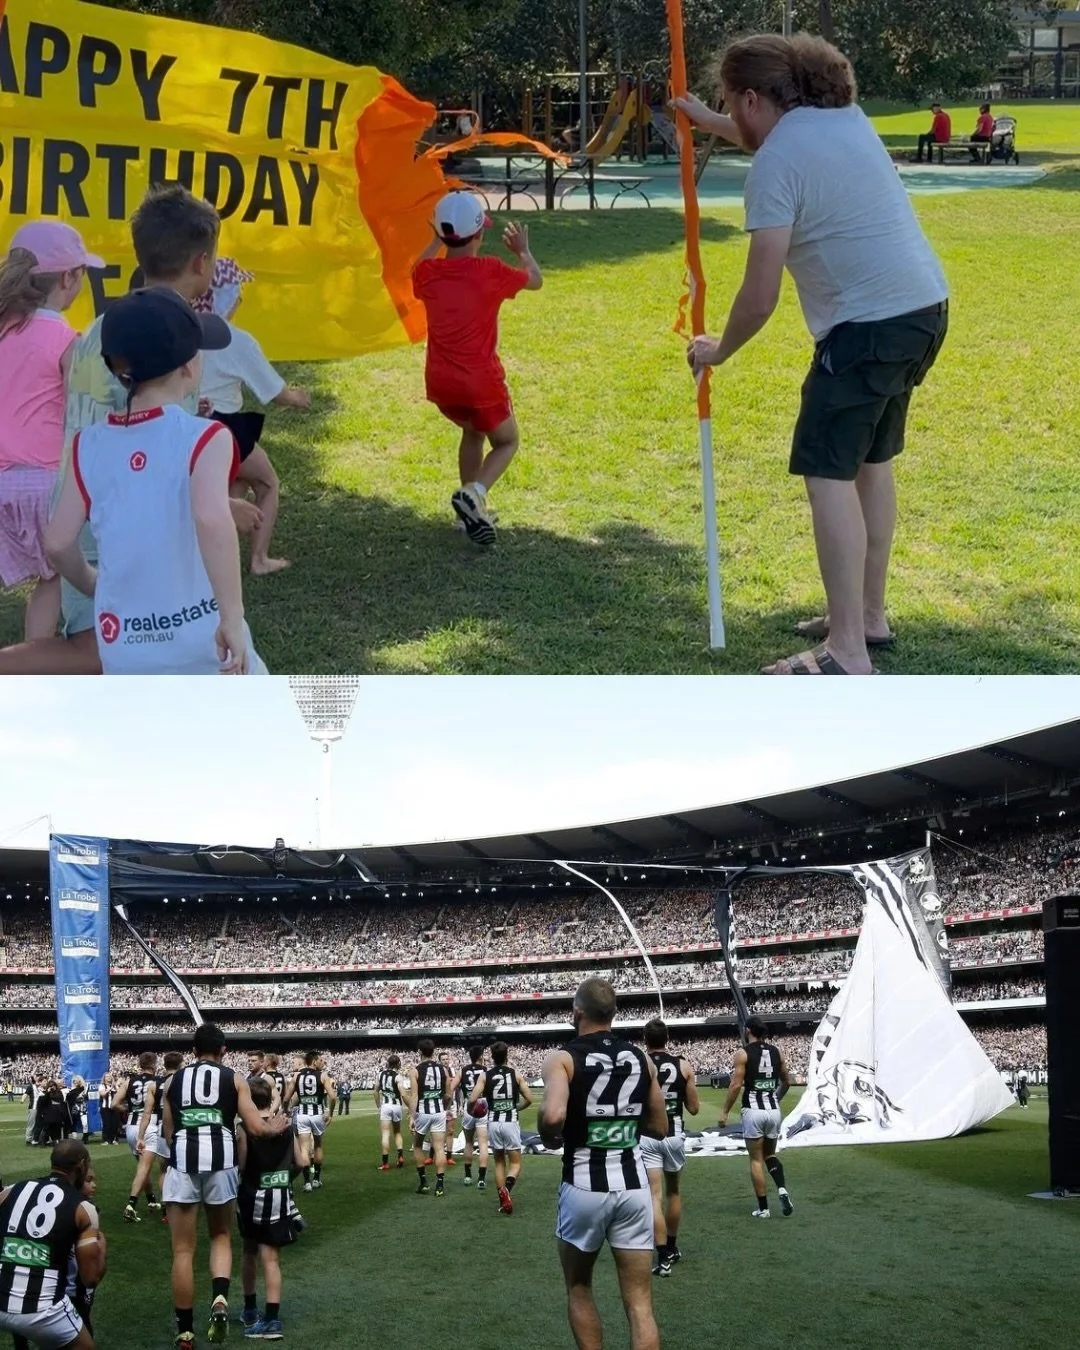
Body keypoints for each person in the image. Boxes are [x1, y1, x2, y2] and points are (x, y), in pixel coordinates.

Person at [674, 35, 948, 676]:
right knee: (870, 465)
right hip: (923, 313)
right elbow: (760, 133)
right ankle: (868, 617)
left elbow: (760, 294)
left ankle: (847, 652)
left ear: (752, 97)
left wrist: (718, 351)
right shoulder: (840, 120)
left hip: (866, 332)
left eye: (727, 104)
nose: (728, 116)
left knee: (828, 475)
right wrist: (702, 116)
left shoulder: (776, 167)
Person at [0, 183, 262, 676]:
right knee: (96, 649)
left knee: (120, 649)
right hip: (106, 521)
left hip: (95, 504)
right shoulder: (169, 339)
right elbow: (137, 449)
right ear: (204, 262)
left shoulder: (110, 329)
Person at [44, 286, 269, 675]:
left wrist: (93, 584)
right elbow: (212, 519)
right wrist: (231, 617)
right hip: (202, 640)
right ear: (189, 366)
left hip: (125, 647)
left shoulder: (87, 446)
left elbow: (58, 542)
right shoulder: (205, 438)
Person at [539, 978, 668, 1350]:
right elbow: (660, 1127)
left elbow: (551, 1117)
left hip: (584, 1184)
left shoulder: (562, 1058)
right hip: (633, 1185)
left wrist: (550, 1136)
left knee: (579, 1288)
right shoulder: (641, 1058)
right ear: (612, 1014)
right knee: (641, 1305)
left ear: (577, 1013)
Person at [411, 191, 543, 547]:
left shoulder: (427, 274)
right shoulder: (491, 271)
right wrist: (522, 252)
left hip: (441, 382)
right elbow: (535, 279)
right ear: (480, 234)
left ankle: (467, 515)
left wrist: (434, 240)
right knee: (507, 440)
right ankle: (476, 493)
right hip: (480, 381)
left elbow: (415, 269)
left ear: (441, 233)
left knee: (473, 432)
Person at [162, 1022, 288, 1349]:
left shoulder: (173, 1080)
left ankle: (185, 1331)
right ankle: (219, 1298)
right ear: (224, 1050)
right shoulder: (234, 1078)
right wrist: (273, 1127)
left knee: (183, 1251)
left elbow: (167, 1133)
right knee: (220, 1236)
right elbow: (255, 1126)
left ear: (193, 1050)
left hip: (184, 1163)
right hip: (221, 1162)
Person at [0, 223, 97, 641]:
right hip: (45, 482)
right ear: (67, 278)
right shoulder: (67, 338)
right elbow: (88, 406)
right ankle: (32, 671)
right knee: (50, 579)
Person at [193, 257, 310, 577]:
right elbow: (275, 392)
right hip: (224, 430)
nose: (240, 297)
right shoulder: (235, 339)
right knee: (267, 482)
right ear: (225, 295)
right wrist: (298, 398)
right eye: (237, 290)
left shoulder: (179, 331)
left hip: (187, 424)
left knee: (236, 481)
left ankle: (213, 554)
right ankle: (259, 559)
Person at [0, 1140, 105, 1350]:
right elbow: (90, 1278)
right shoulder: (84, 1208)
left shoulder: (14, 1189)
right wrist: (102, 1248)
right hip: (43, 1310)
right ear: (82, 1165)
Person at [236, 1077, 311, 1341]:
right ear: (270, 1098)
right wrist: (283, 1180)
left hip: (252, 1196)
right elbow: (301, 1161)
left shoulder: (245, 1127)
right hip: (279, 1197)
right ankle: (272, 1319)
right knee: (272, 1259)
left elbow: (242, 1166)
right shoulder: (286, 1126)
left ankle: (249, 1311)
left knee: (249, 1251)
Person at [718, 1017, 795, 1218]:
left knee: (756, 1160)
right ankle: (782, 1189)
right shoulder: (777, 1051)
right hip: (774, 1110)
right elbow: (787, 1081)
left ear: (748, 1030)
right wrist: (776, 1097)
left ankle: (764, 1208)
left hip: (753, 1110)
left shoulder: (742, 1053)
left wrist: (725, 1111)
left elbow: (735, 1085)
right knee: (770, 1154)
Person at [641, 1020, 699, 1276]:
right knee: (674, 1192)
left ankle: (661, 1253)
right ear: (667, 1037)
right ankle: (673, 1247)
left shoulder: (639, 1063)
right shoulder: (683, 1065)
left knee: (654, 1195)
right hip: (674, 1135)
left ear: (645, 1039)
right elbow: (694, 1108)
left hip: (648, 1135)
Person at [469, 1040, 533, 1215]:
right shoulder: (516, 1074)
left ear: (492, 1056)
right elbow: (529, 1098)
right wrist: (515, 1108)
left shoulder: (485, 1075)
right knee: (516, 1163)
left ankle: (502, 1198)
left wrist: (471, 1111)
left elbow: (472, 1099)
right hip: (510, 1121)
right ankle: (507, 1190)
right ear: (507, 1055)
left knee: (498, 1162)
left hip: (493, 1122)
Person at [135, 1050, 184, 1224]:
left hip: (163, 1128)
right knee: (183, 1170)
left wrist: (141, 1136)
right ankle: (181, 1205)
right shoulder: (184, 1080)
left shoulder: (155, 1084)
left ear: (164, 1065)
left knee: (164, 1171)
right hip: (182, 1127)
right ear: (180, 1065)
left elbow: (147, 1113)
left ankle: (166, 1209)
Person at [112, 1052, 162, 1221]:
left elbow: (114, 1104)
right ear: (154, 1064)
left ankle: (151, 1200)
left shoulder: (129, 1082)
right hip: (150, 1124)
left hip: (131, 1127)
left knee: (143, 1166)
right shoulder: (158, 1082)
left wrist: (128, 1110)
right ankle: (131, 1205)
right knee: (144, 1168)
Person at [405, 1039, 452, 1197]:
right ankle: (440, 1185)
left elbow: (414, 1096)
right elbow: (448, 1094)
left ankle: (424, 1182)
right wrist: (444, 1108)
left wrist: (412, 1116)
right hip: (439, 1111)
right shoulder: (443, 1070)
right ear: (433, 1051)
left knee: (417, 1145)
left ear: (420, 1052)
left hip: (423, 1112)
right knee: (439, 1148)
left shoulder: (415, 1071)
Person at [284, 1051, 335, 1192]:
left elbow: (287, 1098)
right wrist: (330, 1114)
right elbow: (333, 1097)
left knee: (304, 1148)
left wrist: (286, 1110)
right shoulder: (323, 1075)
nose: (322, 1063)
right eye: (320, 1060)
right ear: (313, 1061)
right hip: (317, 1114)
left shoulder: (296, 1076)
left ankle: (306, 1183)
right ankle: (317, 1179)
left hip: (302, 1115)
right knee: (318, 1145)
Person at [459, 1045, 489, 1189]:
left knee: (469, 1142)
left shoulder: (463, 1070)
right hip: (483, 1104)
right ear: (480, 1056)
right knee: (483, 1143)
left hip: (468, 1105)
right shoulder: (486, 1071)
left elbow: (452, 1087)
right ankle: (481, 1179)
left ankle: (467, 1175)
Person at [375, 1055, 406, 1170]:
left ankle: (385, 1163)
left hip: (386, 1106)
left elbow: (375, 1092)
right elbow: (402, 1092)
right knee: (397, 1132)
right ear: (398, 1064)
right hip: (396, 1105)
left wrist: (379, 1106)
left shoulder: (380, 1074)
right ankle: (400, 1156)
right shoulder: (398, 1077)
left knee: (385, 1134)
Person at [438, 1052, 459, 1167]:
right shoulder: (437, 1071)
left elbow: (457, 1089)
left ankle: (449, 1157)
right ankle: (432, 1156)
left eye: (447, 1059)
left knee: (450, 1130)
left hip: (451, 1105)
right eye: (443, 1059)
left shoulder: (452, 1071)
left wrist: (459, 1104)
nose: (445, 1061)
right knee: (437, 1131)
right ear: (439, 1061)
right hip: (440, 1106)